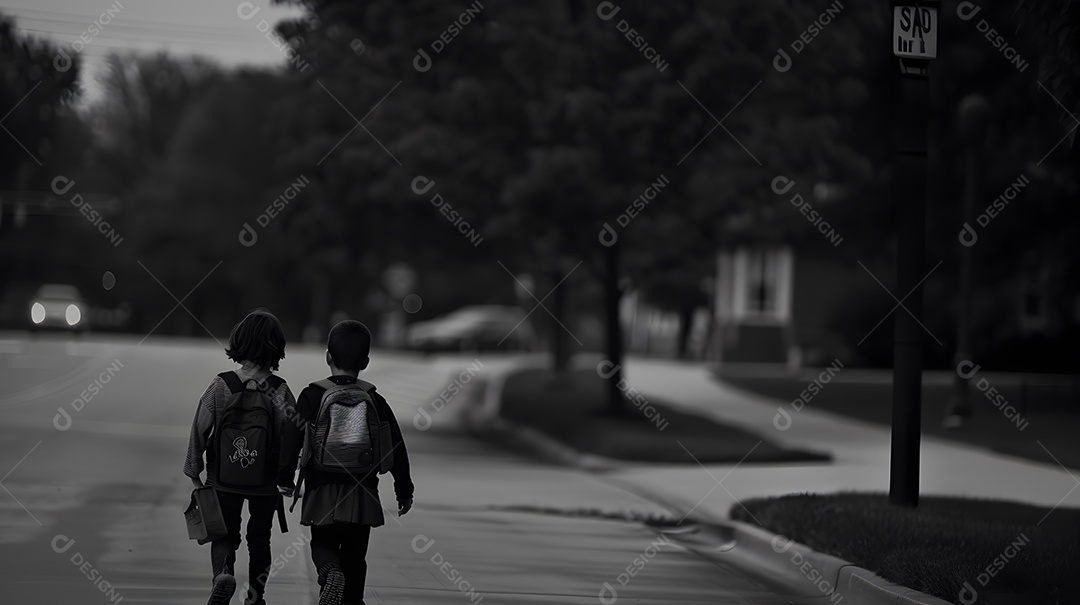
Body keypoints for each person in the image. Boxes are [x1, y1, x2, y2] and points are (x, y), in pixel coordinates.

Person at [280, 320, 414, 605]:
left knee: (322, 543)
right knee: (355, 555)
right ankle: (352, 600)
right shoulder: (374, 399)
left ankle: (330, 572)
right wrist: (404, 489)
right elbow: (396, 446)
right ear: (365, 362)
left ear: (328, 356)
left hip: (321, 488)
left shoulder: (312, 395)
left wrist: (285, 477)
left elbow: (291, 437)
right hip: (362, 491)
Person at [184, 308, 296, 605]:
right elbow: (293, 436)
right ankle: (256, 597)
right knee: (260, 539)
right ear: (277, 347)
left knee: (224, 535)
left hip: (223, 479)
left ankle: (223, 575)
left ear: (239, 343)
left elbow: (199, 428)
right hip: (265, 483)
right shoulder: (280, 390)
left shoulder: (221, 385)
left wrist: (195, 471)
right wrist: (289, 478)